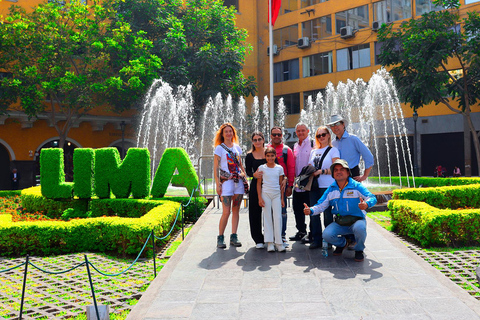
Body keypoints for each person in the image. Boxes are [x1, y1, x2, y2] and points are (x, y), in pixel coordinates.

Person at [303, 159, 377, 262]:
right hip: (340, 222)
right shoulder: (331, 189)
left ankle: (359, 250)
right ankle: (343, 244)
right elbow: (321, 205)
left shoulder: (356, 186)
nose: (339, 172)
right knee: (327, 235)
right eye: (336, 170)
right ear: (333, 174)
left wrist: (366, 204)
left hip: (357, 221)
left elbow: (372, 197)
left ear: (348, 172)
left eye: (342, 169)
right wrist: (310, 210)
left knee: (360, 228)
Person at [213, 123, 247, 248]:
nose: (228, 133)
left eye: (230, 131)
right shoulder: (219, 148)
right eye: (226, 131)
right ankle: (220, 237)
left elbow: (240, 165)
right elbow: (216, 167)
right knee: (226, 211)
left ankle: (234, 235)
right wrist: (218, 184)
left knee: (236, 210)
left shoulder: (237, 148)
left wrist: (245, 176)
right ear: (222, 134)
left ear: (233, 133)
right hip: (227, 182)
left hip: (238, 182)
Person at [307, 126, 340, 249]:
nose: (321, 137)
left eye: (323, 134)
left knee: (327, 214)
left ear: (328, 135)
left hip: (327, 186)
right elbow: (310, 166)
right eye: (318, 135)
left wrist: (321, 171)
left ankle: (329, 239)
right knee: (313, 213)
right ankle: (317, 239)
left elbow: (336, 169)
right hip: (314, 186)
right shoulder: (313, 151)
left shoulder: (333, 150)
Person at [267, 126, 295, 247]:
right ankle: (269, 236)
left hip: (282, 187)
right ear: (271, 136)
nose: (277, 137)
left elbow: (291, 168)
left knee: (282, 212)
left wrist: (290, 185)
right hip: (268, 186)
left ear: (282, 135)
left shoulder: (286, 150)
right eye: (274, 134)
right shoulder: (266, 149)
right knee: (268, 211)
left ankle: (282, 235)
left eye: (279, 134)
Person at [327, 115, 374, 182]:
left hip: (352, 174)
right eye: (332, 125)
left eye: (337, 124)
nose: (335, 127)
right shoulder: (333, 143)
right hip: (338, 176)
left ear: (343, 125)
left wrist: (365, 176)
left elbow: (368, 156)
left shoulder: (353, 139)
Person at [257, 147, 286, 252]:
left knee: (277, 217)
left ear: (275, 156)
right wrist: (260, 197)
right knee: (267, 217)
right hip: (266, 195)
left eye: (272, 156)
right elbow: (258, 184)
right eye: (268, 156)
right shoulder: (262, 168)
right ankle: (269, 242)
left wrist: (282, 199)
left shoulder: (279, 168)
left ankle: (279, 242)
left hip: (276, 195)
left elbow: (281, 185)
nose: (270, 158)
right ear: (265, 156)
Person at [290, 123, 314, 243]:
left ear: (308, 131)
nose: (300, 133)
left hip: (310, 182)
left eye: (303, 130)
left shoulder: (313, 143)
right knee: (297, 209)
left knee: (311, 209)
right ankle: (301, 231)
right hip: (298, 183)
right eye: (298, 131)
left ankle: (312, 233)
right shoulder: (295, 146)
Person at [245, 131, 267, 249]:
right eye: (255, 140)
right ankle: (258, 238)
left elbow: (277, 165)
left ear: (263, 140)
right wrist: (254, 174)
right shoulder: (249, 155)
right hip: (255, 185)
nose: (257, 142)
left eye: (259, 139)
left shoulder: (268, 152)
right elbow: (247, 171)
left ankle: (270, 237)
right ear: (252, 142)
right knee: (254, 212)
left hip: (269, 185)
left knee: (269, 212)